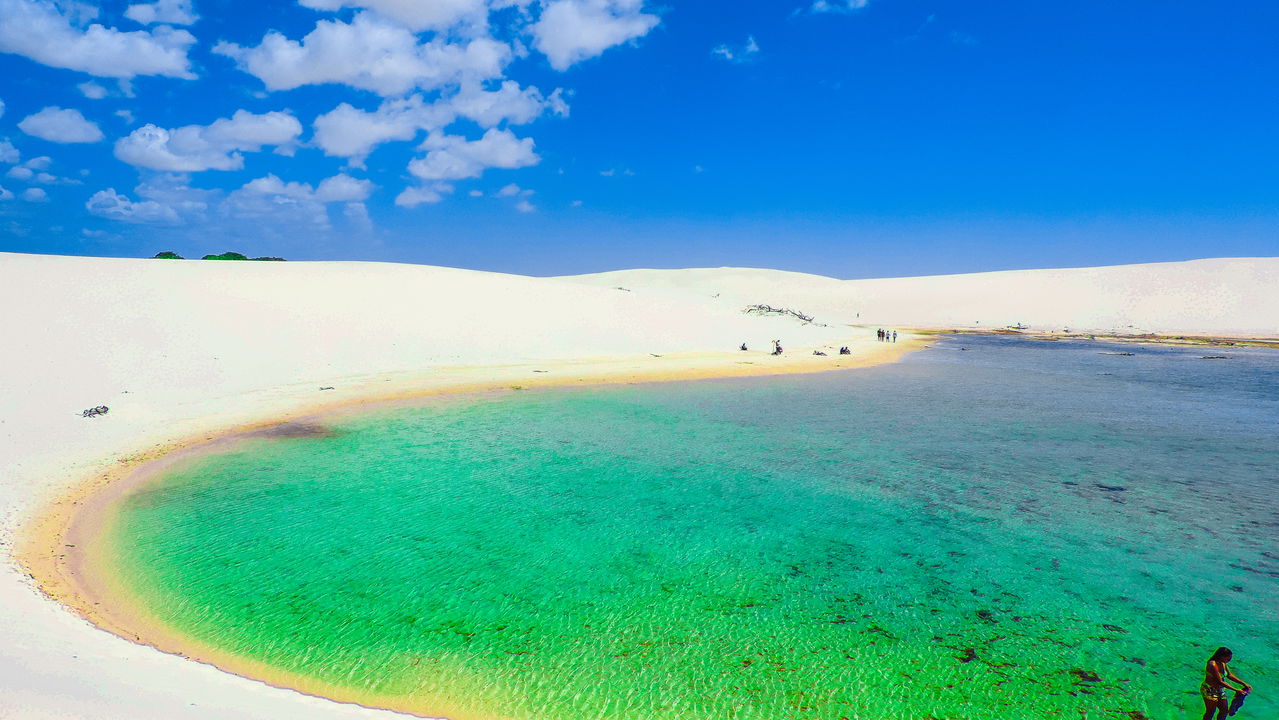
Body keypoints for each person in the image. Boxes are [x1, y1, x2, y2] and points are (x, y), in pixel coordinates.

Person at [1202, 647, 1250, 720]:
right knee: (1210, 712)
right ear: (1221, 656)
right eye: (1228, 659)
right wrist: (1236, 690)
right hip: (1209, 690)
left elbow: (1229, 675)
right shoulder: (1212, 665)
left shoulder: (1223, 663)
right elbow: (1220, 681)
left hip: (1220, 691)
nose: (1229, 660)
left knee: (1224, 711)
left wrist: (1243, 684)